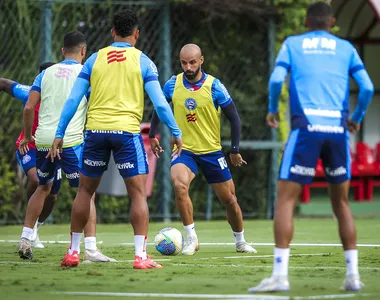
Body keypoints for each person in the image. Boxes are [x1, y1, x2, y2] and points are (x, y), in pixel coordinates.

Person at [249, 1, 374, 293]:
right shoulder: (346, 48)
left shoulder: (293, 44)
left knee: (285, 200)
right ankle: (353, 276)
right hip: (337, 130)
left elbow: (277, 79)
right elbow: (367, 87)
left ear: (306, 23)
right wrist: (355, 119)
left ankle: (279, 276)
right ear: (331, 22)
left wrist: (272, 109)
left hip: (306, 129)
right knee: (341, 203)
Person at [51, 10, 183, 269]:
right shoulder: (143, 61)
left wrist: (59, 133)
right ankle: (140, 257)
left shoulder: (93, 59)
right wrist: (176, 132)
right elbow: (161, 104)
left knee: (85, 191)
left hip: (95, 133)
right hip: (125, 134)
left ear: (112, 33)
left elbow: (73, 100)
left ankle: (72, 253)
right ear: (137, 34)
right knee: (137, 195)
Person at [149, 44, 257, 255]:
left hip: (212, 152)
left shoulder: (214, 86)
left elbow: (234, 119)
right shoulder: (172, 85)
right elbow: (159, 108)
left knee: (230, 200)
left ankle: (240, 241)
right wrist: (153, 134)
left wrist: (234, 150)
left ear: (201, 61)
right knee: (180, 185)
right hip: (184, 150)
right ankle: (192, 239)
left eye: (192, 62)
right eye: (183, 63)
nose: (187, 67)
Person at [18, 31, 115, 263]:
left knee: (43, 187)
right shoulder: (85, 73)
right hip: (70, 141)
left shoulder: (45, 73)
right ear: (84, 51)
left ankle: (25, 237)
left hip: (42, 140)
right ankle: (90, 249)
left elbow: (29, 108)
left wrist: (27, 137)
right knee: (86, 193)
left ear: (62, 51)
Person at [0, 62, 61, 249]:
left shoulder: (65, 95)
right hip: (29, 147)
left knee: (52, 196)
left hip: (53, 148)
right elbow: (3, 83)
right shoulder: (29, 93)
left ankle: (35, 227)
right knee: (37, 181)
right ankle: (29, 229)